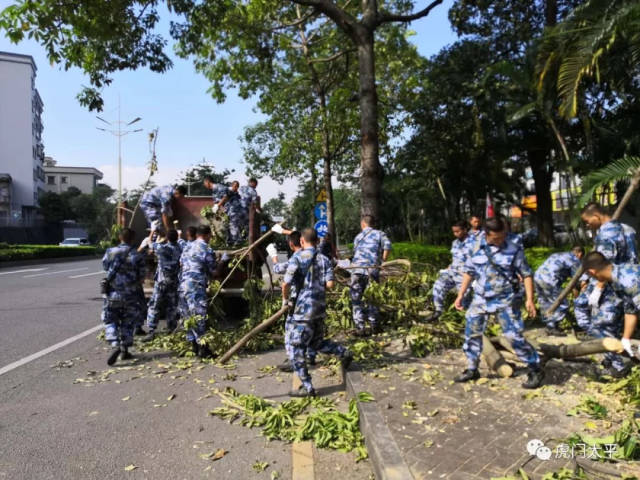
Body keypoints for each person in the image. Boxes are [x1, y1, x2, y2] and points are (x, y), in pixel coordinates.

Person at [454, 217, 544, 389]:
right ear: (487, 234)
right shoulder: (475, 246)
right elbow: (469, 272)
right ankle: (472, 369)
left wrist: (530, 300)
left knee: (513, 336)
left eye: (504, 236)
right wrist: (460, 295)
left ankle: (535, 368)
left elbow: (526, 274)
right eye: (497, 238)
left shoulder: (513, 248)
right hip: (480, 298)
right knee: (472, 334)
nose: (502, 240)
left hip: (505, 299)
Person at [282, 228, 353, 397]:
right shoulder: (324, 259)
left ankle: (307, 387)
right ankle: (343, 352)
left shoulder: (297, 257)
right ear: (317, 241)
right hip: (319, 309)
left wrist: (286, 300)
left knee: (297, 347)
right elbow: (330, 285)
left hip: (302, 312)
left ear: (301, 241)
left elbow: (286, 283)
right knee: (316, 343)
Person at [574, 202, 637, 376]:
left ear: (596, 216)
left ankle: (617, 366)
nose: (588, 225)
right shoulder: (627, 229)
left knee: (599, 325)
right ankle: (610, 358)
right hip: (625, 281)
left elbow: (603, 265)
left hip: (610, 285)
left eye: (587, 221)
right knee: (612, 324)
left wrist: (598, 289)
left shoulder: (606, 234)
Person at [267, 231, 317, 372]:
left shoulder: (297, 257)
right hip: (315, 298)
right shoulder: (315, 254)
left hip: (299, 299)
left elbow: (280, 272)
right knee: (312, 327)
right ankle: (310, 356)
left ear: (291, 244)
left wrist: (273, 256)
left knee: (291, 329)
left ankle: (293, 359)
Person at [101, 228, 146, 365]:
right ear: (132, 239)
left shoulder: (110, 252)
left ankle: (114, 343)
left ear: (120, 238)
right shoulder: (137, 255)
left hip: (113, 294)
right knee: (128, 322)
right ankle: (124, 350)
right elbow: (142, 276)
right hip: (131, 295)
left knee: (110, 320)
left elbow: (105, 267)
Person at [582, 251, 639, 359]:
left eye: (589, 275)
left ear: (592, 272)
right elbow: (630, 309)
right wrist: (626, 339)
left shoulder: (628, 281)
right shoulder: (616, 277)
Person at [350, 215, 392, 336]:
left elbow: (355, 253)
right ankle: (374, 326)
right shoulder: (380, 234)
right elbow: (387, 246)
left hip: (357, 270)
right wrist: (383, 260)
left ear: (363, 224)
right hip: (372, 270)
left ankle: (360, 328)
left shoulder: (358, 237)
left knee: (356, 299)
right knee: (372, 297)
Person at [180, 225, 217, 356]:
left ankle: (194, 346)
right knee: (199, 316)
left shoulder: (187, 246)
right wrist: (223, 261)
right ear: (207, 235)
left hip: (183, 286)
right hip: (195, 286)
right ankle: (203, 349)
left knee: (188, 317)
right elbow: (214, 272)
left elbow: (181, 264)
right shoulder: (207, 249)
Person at [534, 246, 585, 336]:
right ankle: (553, 327)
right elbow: (577, 281)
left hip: (537, 277)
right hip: (550, 280)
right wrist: (578, 298)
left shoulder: (558, 254)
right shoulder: (575, 260)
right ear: (580, 254)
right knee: (561, 303)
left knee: (545, 303)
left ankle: (550, 326)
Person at [143, 229, 183, 341]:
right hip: (174, 282)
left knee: (154, 305)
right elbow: (180, 241)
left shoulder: (162, 248)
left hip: (161, 282)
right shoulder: (180, 248)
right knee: (172, 305)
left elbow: (149, 242)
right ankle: (171, 327)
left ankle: (151, 331)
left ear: (167, 238)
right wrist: (179, 235)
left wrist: (153, 231)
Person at [430, 220, 474, 320]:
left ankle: (467, 318)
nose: (455, 234)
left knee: (463, 299)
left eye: (457, 231)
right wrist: (448, 267)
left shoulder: (474, 243)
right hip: (452, 272)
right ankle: (438, 311)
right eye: (454, 232)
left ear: (465, 230)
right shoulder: (455, 243)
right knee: (438, 286)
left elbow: (475, 263)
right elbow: (455, 259)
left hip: (464, 276)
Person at [217, 181, 244, 246]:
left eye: (237, 186)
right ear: (232, 186)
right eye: (235, 186)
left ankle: (237, 241)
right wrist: (221, 208)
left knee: (234, 226)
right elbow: (222, 200)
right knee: (227, 227)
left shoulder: (237, 195)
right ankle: (229, 241)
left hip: (235, 213)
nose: (236, 187)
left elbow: (240, 203)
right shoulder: (228, 192)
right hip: (227, 212)